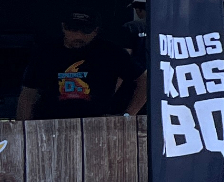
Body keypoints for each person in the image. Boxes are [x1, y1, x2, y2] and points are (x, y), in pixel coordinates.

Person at [18, 10, 146, 119]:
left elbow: (145, 80)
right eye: (73, 29)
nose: (78, 35)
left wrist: (128, 115)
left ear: (96, 31)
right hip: (51, 122)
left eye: (86, 30)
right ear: (63, 27)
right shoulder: (46, 53)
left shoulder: (111, 52)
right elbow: (28, 94)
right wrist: (23, 129)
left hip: (97, 123)